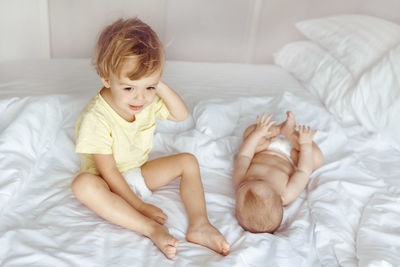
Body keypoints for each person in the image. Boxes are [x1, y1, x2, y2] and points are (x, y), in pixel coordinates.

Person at [71, 18, 229, 259]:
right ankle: (150, 229)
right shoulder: (96, 118)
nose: (140, 98)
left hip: (137, 172)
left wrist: (155, 83)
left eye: (149, 87)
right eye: (129, 88)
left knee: (188, 160)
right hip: (106, 182)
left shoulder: (146, 99)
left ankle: (200, 224)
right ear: (106, 79)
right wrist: (140, 206)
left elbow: (181, 115)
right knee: (82, 185)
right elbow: (110, 172)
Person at [233, 111, 324, 233]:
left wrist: (257, 134)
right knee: (316, 158)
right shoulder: (287, 194)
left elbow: (244, 155)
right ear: (280, 199)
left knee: (249, 133)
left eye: (246, 183)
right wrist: (305, 145)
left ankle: (278, 129)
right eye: (259, 180)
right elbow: (303, 171)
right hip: (291, 156)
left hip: (265, 147)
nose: (249, 179)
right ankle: (290, 133)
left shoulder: (240, 181)